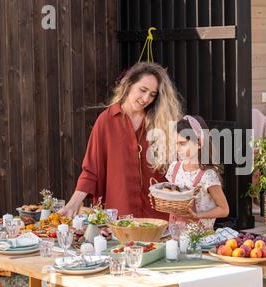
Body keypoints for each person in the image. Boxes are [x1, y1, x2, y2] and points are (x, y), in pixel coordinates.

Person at [60, 62, 183, 219]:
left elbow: (181, 166)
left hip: (159, 218)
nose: (146, 99)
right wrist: (72, 204)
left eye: (152, 94)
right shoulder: (106, 121)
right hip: (120, 218)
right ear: (129, 84)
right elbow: (91, 170)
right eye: (143, 90)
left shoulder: (163, 122)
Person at [163, 115, 229, 230]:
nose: (177, 149)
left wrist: (198, 215)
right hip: (175, 237)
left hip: (199, 239)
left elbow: (224, 210)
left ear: (199, 143)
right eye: (175, 143)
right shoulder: (174, 168)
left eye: (182, 143)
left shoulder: (207, 176)